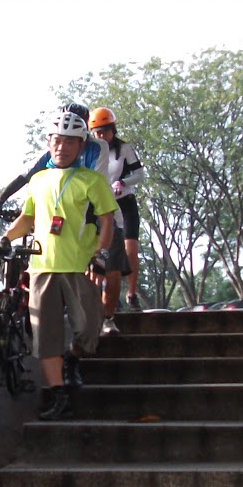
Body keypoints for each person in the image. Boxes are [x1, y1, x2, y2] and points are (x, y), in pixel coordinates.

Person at [4, 109, 116, 420]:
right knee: (46, 335)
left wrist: (100, 254)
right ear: (49, 142)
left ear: (81, 147)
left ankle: (73, 359)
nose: (61, 147)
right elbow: (27, 218)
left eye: (69, 142)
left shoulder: (92, 180)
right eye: (56, 140)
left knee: (89, 328)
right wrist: (4, 238)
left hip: (79, 265)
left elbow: (106, 221)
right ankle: (59, 395)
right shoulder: (38, 180)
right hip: (41, 267)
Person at [0, 102, 103, 215]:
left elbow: (98, 184)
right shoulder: (52, 151)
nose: (62, 147)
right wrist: (0, 200)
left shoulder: (98, 147)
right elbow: (25, 176)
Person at [89, 106, 146, 326]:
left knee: (130, 249)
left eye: (105, 131)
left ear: (112, 129)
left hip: (124, 201)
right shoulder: (91, 151)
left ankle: (131, 294)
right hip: (102, 207)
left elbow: (139, 173)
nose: (101, 136)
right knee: (101, 252)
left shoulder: (124, 149)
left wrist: (124, 182)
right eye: (97, 132)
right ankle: (104, 298)